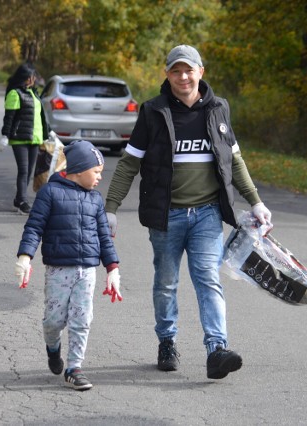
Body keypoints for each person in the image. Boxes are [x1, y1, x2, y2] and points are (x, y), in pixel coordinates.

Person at [104, 45, 273, 379]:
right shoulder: (153, 111)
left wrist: (255, 201)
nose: (183, 77)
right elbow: (128, 164)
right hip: (167, 217)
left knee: (208, 280)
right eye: (176, 71)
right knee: (166, 283)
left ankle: (217, 350)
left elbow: (234, 161)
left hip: (208, 214)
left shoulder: (219, 109)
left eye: (189, 70)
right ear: (167, 75)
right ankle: (167, 340)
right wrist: (110, 208)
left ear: (201, 72)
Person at [15, 140, 122, 391]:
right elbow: (34, 227)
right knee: (53, 321)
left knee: (81, 319)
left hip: (87, 271)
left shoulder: (95, 200)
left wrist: (113, 268)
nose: (99, 178)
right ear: (79, 169)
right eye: (96, 172)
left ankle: (74, 368)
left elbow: (104, 238)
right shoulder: (50, 193)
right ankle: (53, 348)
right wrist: (25, 257)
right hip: (58, 270)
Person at [0, 63, 47, 214]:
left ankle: (19, 198)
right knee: (23, 170)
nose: (34, 79)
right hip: (20, 137)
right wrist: (5, 135)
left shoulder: (34, 93)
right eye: (33, 76)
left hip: (35, 138)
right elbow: (9, 117)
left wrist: (49, 132)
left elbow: (41, 116)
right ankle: (23, 201)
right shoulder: (15, 93)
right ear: (27, 78)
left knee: (30, 170)